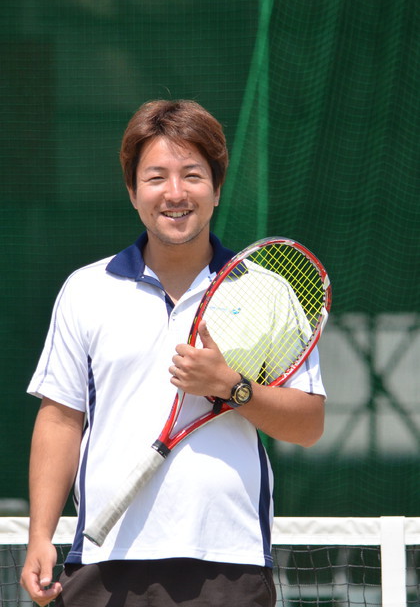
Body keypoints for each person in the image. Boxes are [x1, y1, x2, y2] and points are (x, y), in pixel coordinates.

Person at [20, 99, 326, 607]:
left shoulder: (269, 292)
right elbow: (60, 420)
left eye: (193, 175)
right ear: (132, 191)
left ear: (217, 189)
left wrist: (232, 387)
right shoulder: (85, 289)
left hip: (230, 563)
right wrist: (39, 536)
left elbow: (309, 424)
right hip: (103, 560)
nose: (176, 193)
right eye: (156, 177)